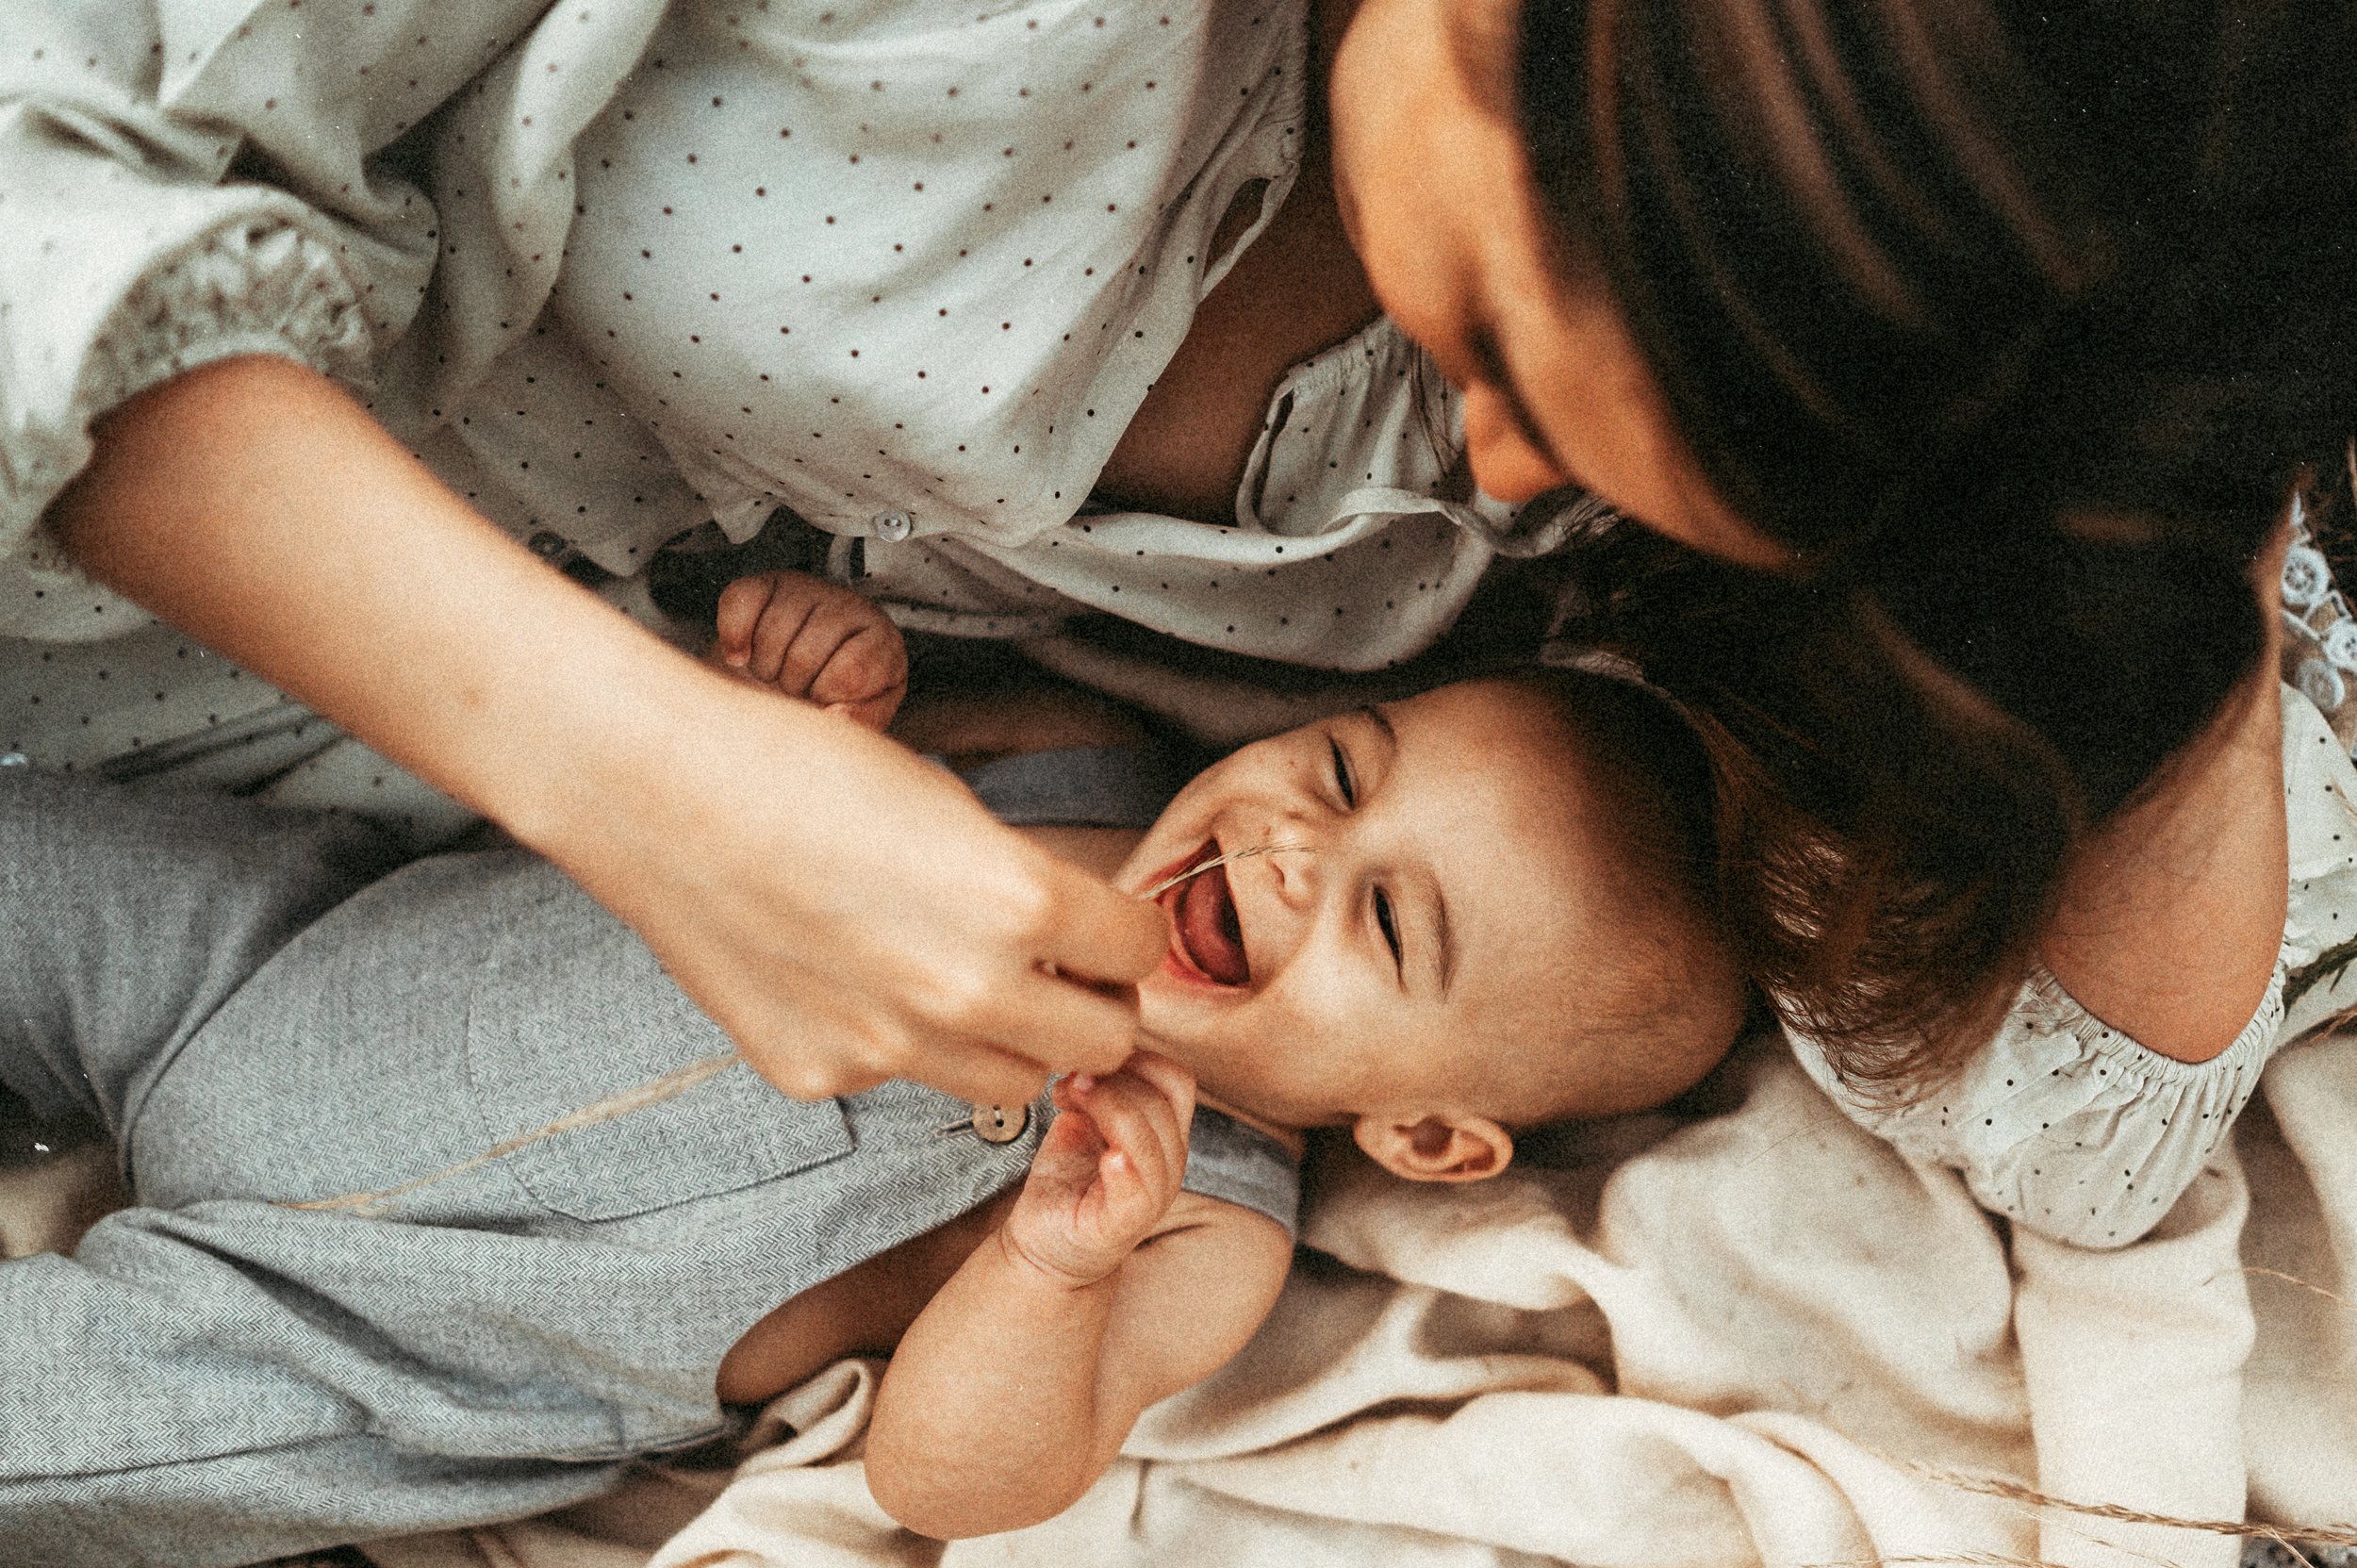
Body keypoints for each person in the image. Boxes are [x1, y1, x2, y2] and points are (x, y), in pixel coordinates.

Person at [9, 0, 2351, 1131]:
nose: (1507, 474)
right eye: (1526, 339)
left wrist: (2172, 426)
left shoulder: (1846, 357)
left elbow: (2079, 1123)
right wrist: (649, 787)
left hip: (222, 876)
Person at [0, 595, 1743, 1568]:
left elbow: (953, 1476)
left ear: (1426, 1133)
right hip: (296, 958)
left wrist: (1047, 1270)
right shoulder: (1063, 759)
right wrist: (801, 697)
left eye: (1385, 918)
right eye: (1350, 769)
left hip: (377, 1343)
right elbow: (724, 758)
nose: (1299, 841)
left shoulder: (1200, 1222)